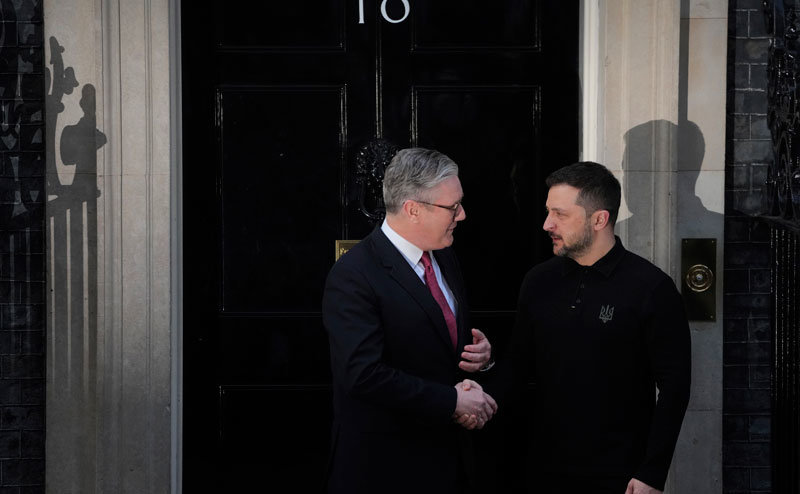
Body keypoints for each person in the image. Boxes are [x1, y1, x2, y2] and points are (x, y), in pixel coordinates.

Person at [322, 147, 498, 494]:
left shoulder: (445, 257)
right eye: (453, 207)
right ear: (413, 209)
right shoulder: (354, 274)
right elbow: (363, 374)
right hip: (385, 467)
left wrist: (482, 358)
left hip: (448, 460)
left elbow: (440, 346)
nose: (462, 215)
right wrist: (452, 401)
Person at [512, 161, 691, 494]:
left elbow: (675, 388)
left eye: (560, 214)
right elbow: (518, 367)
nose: (547, 224)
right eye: (548, 212)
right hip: (541, 467)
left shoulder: (651, 288)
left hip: (619, 474)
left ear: (599, 219)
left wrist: (652, 472)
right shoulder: (538, 281)